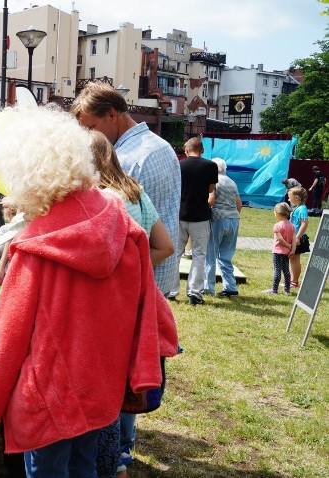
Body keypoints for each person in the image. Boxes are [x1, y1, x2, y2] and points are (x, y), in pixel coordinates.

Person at [0, 106, 178, 477]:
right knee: (85, 468)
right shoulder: (124, 229)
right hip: (101, 388)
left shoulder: (35, 249)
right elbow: (152, 314)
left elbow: (6, 344)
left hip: (48, 397)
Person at [72, 81, 181, 469]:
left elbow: (131, 240)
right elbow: (160, 235)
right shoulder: (146, 155)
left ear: (112, 116)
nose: (87, 136)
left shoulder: (137, 158)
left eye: (89, 126)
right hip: (145, 282)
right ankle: (120, 444)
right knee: (126, 369)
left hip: (134, 289)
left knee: (118, 372)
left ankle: (118, 448)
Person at [90, 130, 175, 266]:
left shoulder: (102, 199)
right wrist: (134, 270)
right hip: (133, 284)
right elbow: (165, 247)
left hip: (108, 286)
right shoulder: (136, 192)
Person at [173, 137, 217, 305]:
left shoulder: (178, 164)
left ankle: (172, 290)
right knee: (199, 254)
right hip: (200, 215)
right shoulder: (211, 166)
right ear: (202, 150)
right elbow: (211, 189)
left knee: (176, 253)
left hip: (180, 214)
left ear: (186, 150)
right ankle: (195, 293)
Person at [204, 158, 242, 297]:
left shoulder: (214, 181)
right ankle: (230, 286)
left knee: (210, 254)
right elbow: (239, 204)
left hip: (218, 218)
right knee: (226, 256)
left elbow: (211, 200)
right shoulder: (232, 182)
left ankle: (208, 287)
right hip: (233, 219)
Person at [267, 202, 294, 294]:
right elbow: (294, 239)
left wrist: (288, 245)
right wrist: (292, 249)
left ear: (278, 214)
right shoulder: (292, 226)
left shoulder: (277, 225)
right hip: (286, 253)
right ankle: (287, 289)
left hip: (277, 252)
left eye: (274, 212)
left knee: (277, 270)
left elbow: (280, 239)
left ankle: (274, 290)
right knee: (286, 271)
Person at [288, 186, 310, 287]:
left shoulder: (301, 209)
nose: (288, 199)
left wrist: (297, 237)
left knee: (295, 259)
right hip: (294, 237)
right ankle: (292, 280)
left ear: (296, 197)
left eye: (289, 197)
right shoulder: (298, 208)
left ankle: (294, 281)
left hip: (298, 239)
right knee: (292, 259)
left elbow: (304, 223)